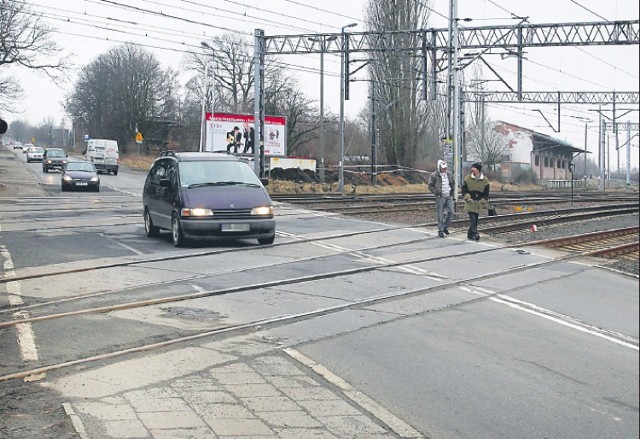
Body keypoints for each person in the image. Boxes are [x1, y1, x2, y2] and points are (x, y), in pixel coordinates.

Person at [461, 162, 490, 241]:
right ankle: (474, 233)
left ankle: (470, 233)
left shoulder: (485, 181)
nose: (472, 169)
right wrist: (467, 197)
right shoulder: (467, 179)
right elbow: (463, 190)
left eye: (474, 168)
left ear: (478, 170)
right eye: (472, 167)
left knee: (476, 219)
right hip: (470, 203)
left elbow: (486, 193)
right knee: (473, 218)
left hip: (478, 203)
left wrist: (483, 201)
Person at [428, 159, 455, 238]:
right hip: (440, 196)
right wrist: (436, 192)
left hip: (449, 195)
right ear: (439, 167)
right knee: (440, 214)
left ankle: (445, 226)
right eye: (443, 168)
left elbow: (452, 183)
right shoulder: (434, 175)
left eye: (445, 168)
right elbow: (430, 185)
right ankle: (441, 230)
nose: (444, 169)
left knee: (451, 212)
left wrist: (452, 192)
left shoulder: (449, 174)